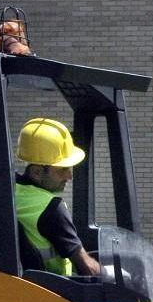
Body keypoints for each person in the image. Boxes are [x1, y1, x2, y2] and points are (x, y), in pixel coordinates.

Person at [13, 117, 101, 277]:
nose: (69, 176)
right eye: (62, 170)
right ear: (37, 172)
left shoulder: (10, 190)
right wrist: (115, 275)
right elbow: (88, 268)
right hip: (54, 291)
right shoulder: (51, 208)